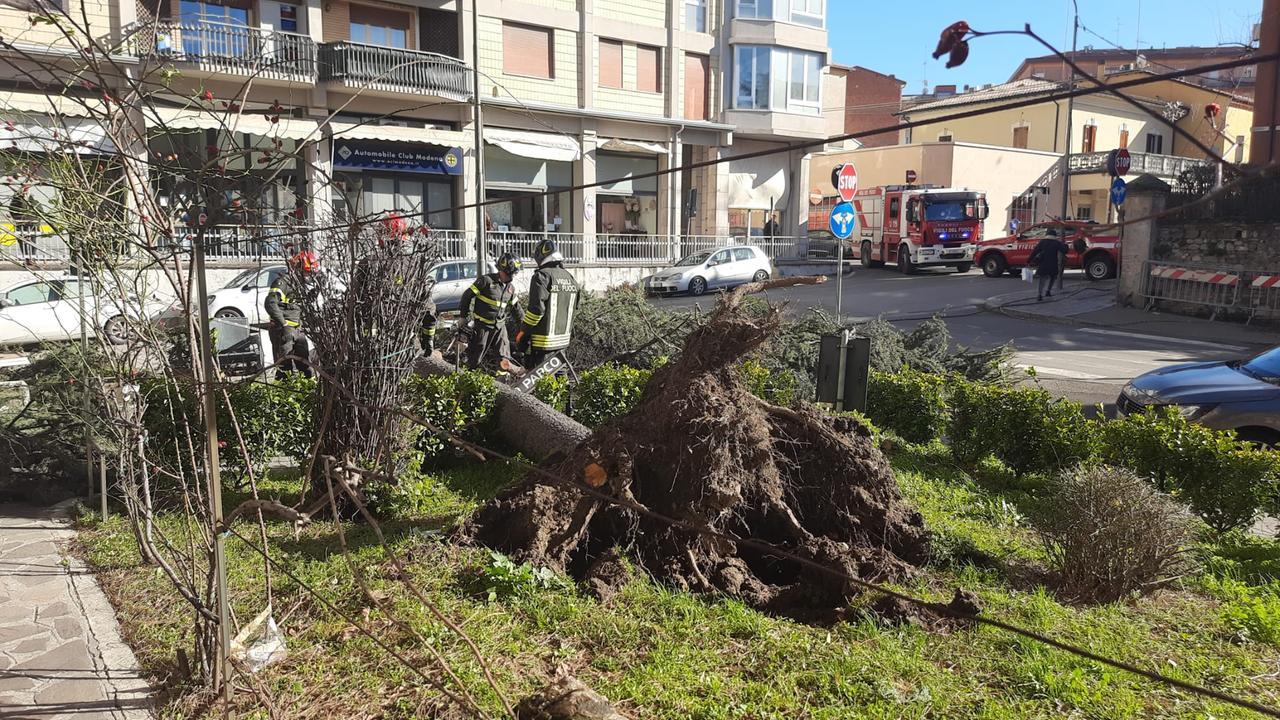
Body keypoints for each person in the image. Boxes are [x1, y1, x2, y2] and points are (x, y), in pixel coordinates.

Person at [515, 238, 580, 369]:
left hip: (543, 343)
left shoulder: (542, 276)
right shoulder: (570, 278)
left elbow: (536, 310)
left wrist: (524, 332)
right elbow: (576, 307)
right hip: (562, 342)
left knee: (543, 382)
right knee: (561, 379)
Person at [458, 252, 522, 370]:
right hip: (482, 327)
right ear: (504, 270)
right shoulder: (486, 281)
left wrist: (525, 328)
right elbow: (467, 296)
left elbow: (517, 310)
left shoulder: (510, 289)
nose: (513, 276)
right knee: (475, 358)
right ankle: (467, 379)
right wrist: (463, 317)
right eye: (512, 273)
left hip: (500, 327)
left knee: (504, 357)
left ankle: (503, 382)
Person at [264, 250, 317, 378]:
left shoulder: (299, 284)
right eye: (306, 272)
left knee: (305, 365)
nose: (308, 276)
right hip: (284, 330)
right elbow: (270, 303)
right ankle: (283, 394)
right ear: (298, 269)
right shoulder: (283, 283)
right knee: (284, 366)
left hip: (297, 329)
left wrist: (315, 293)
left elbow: (300, 304)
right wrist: (283, 323)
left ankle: (307, 392)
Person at [1027, 232, 1068, 302]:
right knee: (1053, 277)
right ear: (1055, 236)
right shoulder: (1056, 243)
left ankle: (1039, 295)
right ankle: (1048, 291)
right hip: (1053, 263)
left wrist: (1029, 260)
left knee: (1042, 279)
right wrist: (1065, 245)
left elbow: (1035, 251)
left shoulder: (1042, 242)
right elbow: (1064, 250)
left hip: (1043, 263)